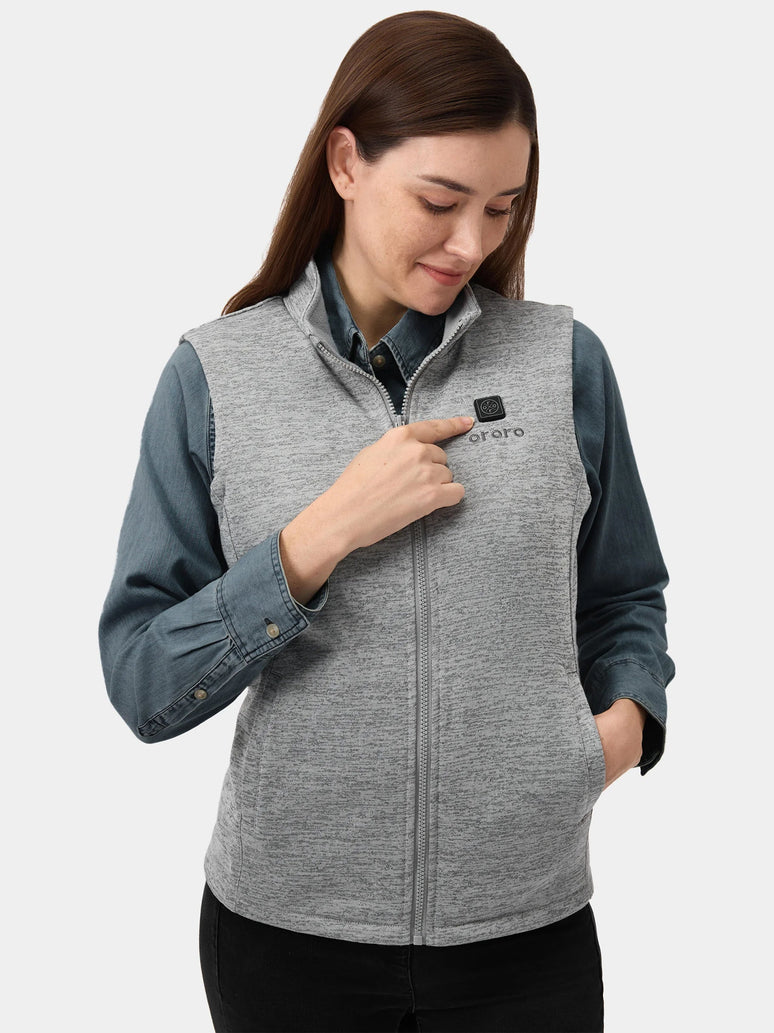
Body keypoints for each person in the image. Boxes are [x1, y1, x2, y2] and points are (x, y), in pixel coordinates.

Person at [99, 10, 675, 1032]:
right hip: (285, 939)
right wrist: (316, 538)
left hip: (526, 931)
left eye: (502, 207)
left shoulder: (564, 363)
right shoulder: (214, 377)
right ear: (345, 163)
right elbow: (145, 683)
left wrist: (618, 731)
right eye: (440, 201)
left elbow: (624, 592)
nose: (473, 242)